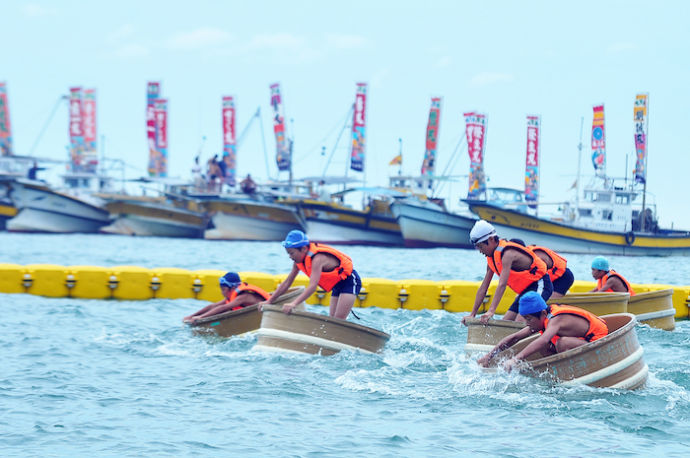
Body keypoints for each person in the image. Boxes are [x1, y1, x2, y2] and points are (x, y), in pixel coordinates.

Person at [477, 291, 609, 372]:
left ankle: (570, 373)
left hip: (599, 342)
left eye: (529, 319)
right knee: (545, 346)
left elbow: (543, 339)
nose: (527, 323)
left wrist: (515, 359)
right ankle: (557, 373)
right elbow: (515, 337)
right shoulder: (541, 320)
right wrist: (489, 356)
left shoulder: (555, 319)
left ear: (543, 313)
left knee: (561, 343)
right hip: (581, 341)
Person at [461, 220, 553, 326]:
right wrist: (473, 314)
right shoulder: (492, 258)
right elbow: (483, 288)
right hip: (525, 290)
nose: (480, 251)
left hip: (541, 284)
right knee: (506, 322)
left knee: (521, 321)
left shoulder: (507, 254)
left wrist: (491, 311)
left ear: (491, 239)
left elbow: (502, 284)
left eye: (481, 247)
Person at [265, 230, 361, 320]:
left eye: (292, 253)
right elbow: (287, 283)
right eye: (288, 254)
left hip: (350, 281)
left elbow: (312, 286)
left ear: (303, 249)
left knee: (339, 320)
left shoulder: (317, 259)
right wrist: (269, 301)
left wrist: (294, 304)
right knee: (332, 319)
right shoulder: (298, 262)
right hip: (337, 285)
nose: (290, 257)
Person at [183, 272, 270, 324]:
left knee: (225, 310)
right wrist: (192, 316)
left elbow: (224, 307)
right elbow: (213, 306)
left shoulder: (243, 297)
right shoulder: (235, 296)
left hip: (267, 314)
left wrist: (201, 317)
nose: (222, 292)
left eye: (223, 289)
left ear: (232, 288)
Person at [509, 239, 574, 299]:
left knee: (546, 302)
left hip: (562, 278)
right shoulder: (519, 260)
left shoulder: (536, 255)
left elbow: (538, 278)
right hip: (550, 280)